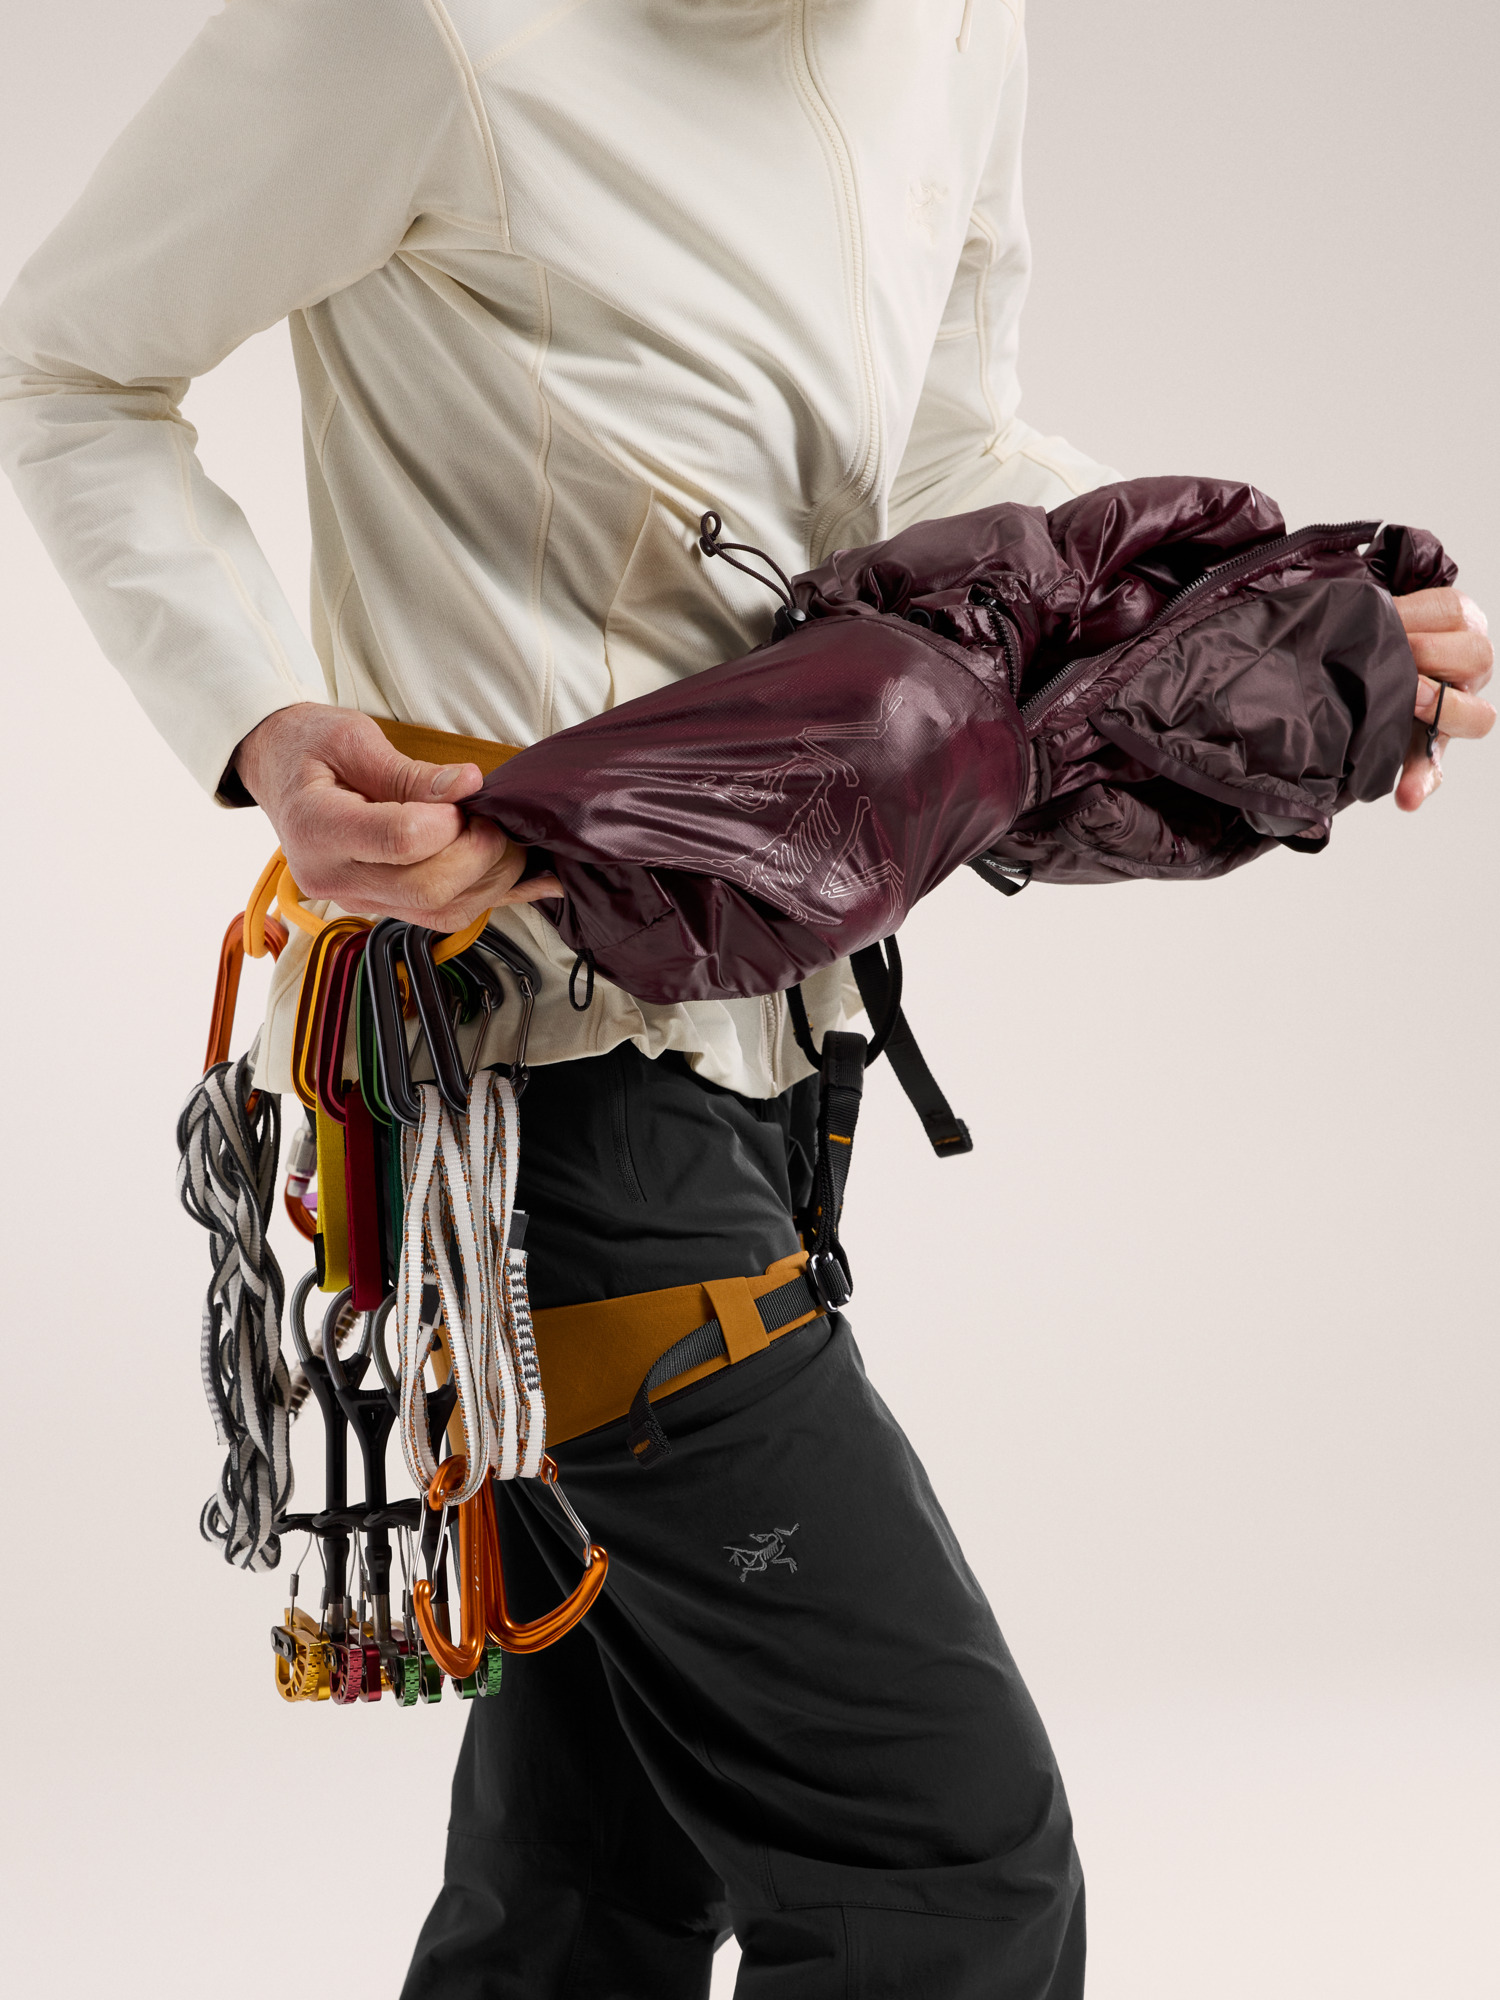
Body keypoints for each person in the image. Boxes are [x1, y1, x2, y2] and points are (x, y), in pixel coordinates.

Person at [1, 4, 1491, 1995]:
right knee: (946, 1876)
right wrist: (261, 717)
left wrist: (1279, 625)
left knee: (589, 1881)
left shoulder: (951, 23)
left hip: (783, 1057)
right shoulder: (426, 29)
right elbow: (71, 365)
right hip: (539, 1093)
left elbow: (939, 455)